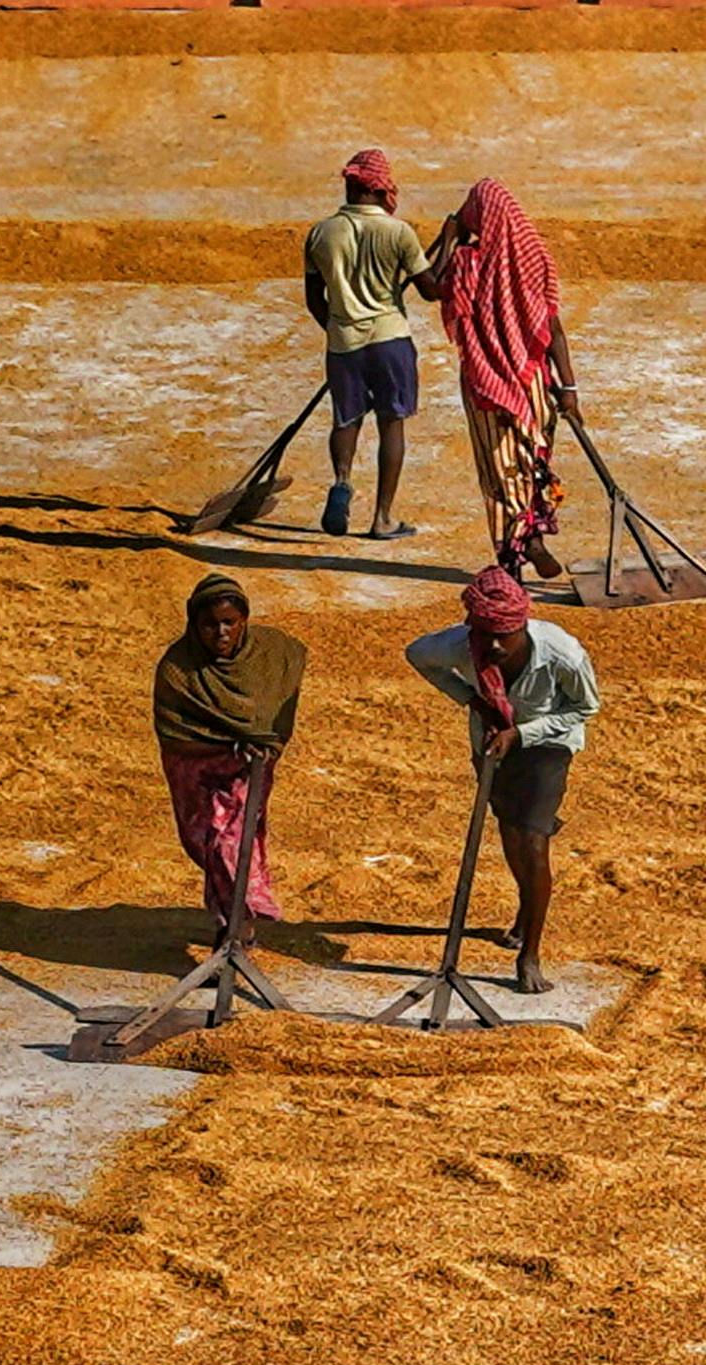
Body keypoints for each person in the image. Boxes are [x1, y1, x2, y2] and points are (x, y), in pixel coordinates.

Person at [405, 565, 594, 995]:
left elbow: (584, 707)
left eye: (502, 637)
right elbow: (416, 655)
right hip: (492, 741)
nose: (491, 646)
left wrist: (522, 733)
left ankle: (530, 953)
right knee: (510, 832)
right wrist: (472, 699)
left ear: (521, 627)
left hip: (548, 742)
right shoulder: (460, 645)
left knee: (532, 839)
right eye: (483, 634)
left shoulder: (562, 653)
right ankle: (525, 912)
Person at [420, 178, 572, 584]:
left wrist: (448, 239)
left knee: (500, 469)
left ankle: (512, 559)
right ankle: (533, 536)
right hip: (533, 381)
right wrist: (569, 388)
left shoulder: (467, 261)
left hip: (486, 384)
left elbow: (431, 288)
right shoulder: (533, 256)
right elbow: (551, 326)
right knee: (531, 461)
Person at [152, 572, 308, 951]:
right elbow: (174, 728)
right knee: (209, 840)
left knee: (231, 843)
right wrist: (227, 745)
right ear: (194, 625)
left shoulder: (271, 655)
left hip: (249, 770)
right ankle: (235, 923)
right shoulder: (178, 669)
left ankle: (235, 927)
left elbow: (280, 699)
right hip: (198, 771)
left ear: (244, 622)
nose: (220, 633)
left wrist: (261, 744)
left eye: (229, 623)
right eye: (209, 625)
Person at [300, 150, 422, 543]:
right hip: (390, 339)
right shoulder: (398, 232)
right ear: (380, 187)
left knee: (345, 419)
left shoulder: (321, 232)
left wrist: (337, 329)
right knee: (392, 424)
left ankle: (341, 480)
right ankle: (383, 518)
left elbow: (314, 298)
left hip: (343, 343)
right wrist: (450, 245)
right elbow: (432, 289)